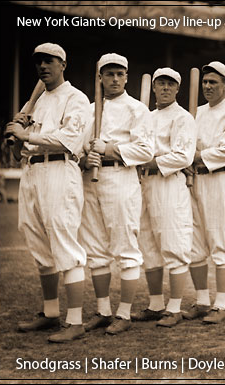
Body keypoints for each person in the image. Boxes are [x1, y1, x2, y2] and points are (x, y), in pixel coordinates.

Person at [5, 43, 91, 342]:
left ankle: (76, 321)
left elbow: (68, 139)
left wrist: (27, 134)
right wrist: (15, 135)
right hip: (33, 171)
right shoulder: (37, 103)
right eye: (39, 62)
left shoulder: (76, 98)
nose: (43, 67)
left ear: (63, 64)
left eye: (50, 61)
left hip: (59, 170)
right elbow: (19, 153)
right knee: (37, 240)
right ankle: (51, 312)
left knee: (64, 242)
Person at [79, 53, 153, 335]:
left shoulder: (136, 109)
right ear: (100, 77)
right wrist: (85, 158)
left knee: (125, 245)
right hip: (91, 178)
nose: (114, 79)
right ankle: (102, 310)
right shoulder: (88, 109)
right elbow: (76, 146)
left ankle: (124, 313)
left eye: (119, 74)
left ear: (126, 76)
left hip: (121, 176)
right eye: (108, 74)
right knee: (95, 248)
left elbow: (145, 151)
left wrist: (109, 149)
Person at [131, 67, 196, 327]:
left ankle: (175, 307)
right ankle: (156, 304)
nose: (165, 88)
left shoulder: (183, 118)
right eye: (161, 83)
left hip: (170, 183)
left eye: (171, 84)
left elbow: (183, 156)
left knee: (173, 244)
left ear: (177, 89)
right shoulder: (144, 116)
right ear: (154, 87)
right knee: (148, 244)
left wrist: (147, 160)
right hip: (144, 183)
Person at [182, 61, 225, 324]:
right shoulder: (195, 113)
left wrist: (198, 155)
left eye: (213, 82)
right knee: (194, 244)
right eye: (205, 82)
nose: (207, 86)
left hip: (220, 179)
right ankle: (201, 300)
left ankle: (221, 304)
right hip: (194, 180)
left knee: (221, 241)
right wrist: (186, 159)